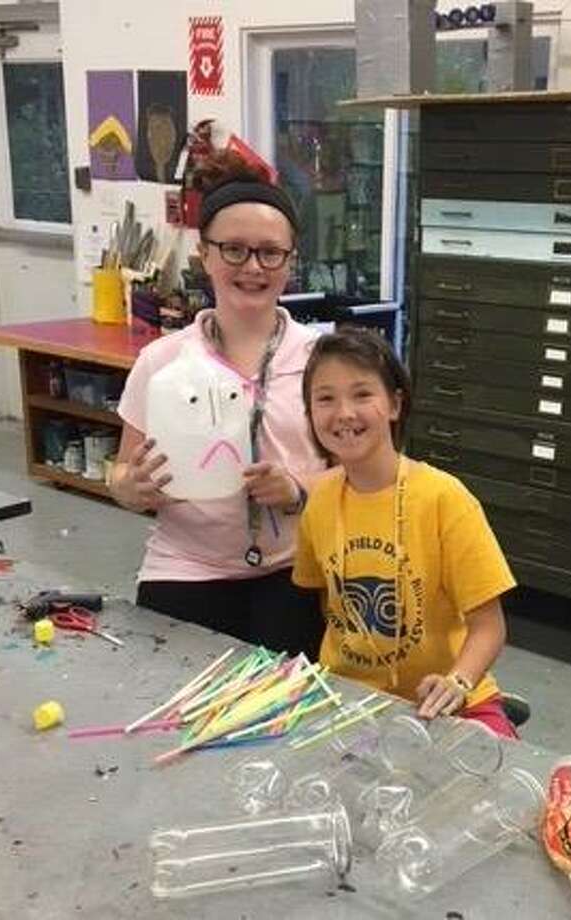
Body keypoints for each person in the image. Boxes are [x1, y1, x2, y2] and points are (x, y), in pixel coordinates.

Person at [110, 150, 326, 659]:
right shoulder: (160, 362)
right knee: (178, 712)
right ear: (203, 255)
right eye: (234, 250)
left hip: (294, 569)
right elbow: (120, 472)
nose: (252, 267)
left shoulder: (324, 360)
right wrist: (130, 488)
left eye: (270, 252)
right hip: (185, 567)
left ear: (291, 262)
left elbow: (360, 477)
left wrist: (297, 488)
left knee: (288, 721)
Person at [292, 328, 519, 738]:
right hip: (349, 700)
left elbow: (489, 626)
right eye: (325, 398)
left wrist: (458, 682)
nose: (344, 412)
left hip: (451, 702)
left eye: (362, 394)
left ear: (395, 404)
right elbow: (329, 605)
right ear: (309, 414)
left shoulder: (444, 498)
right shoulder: (319, 500)